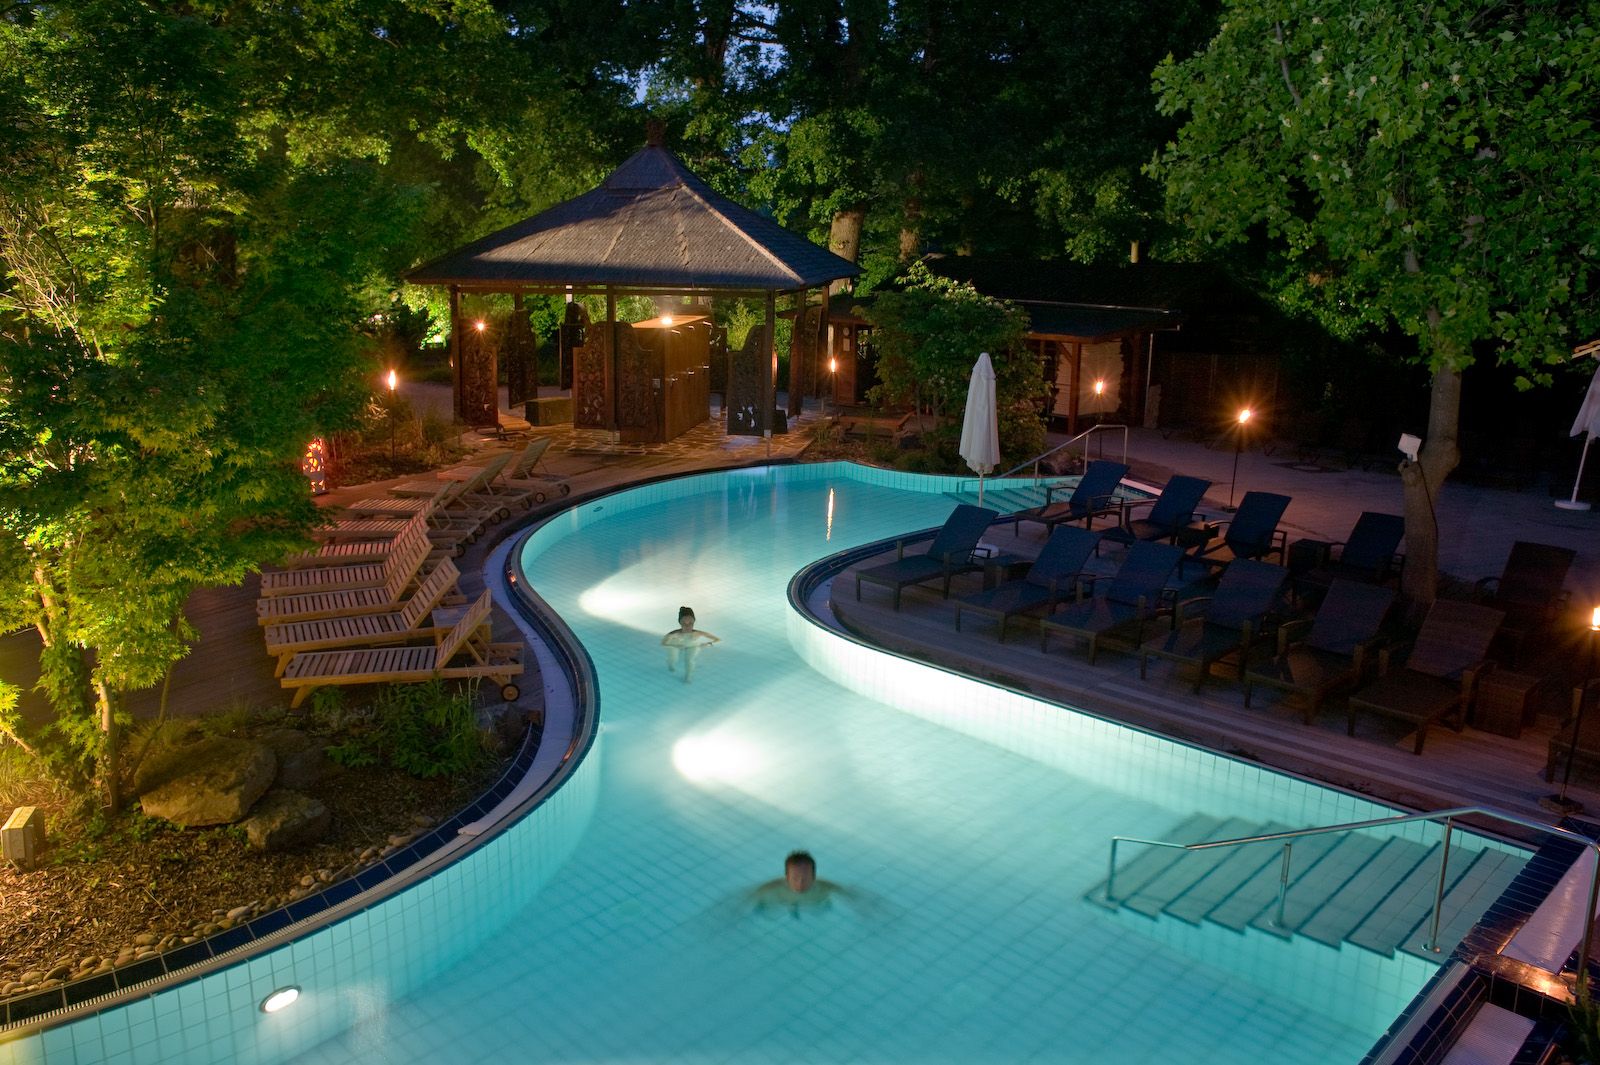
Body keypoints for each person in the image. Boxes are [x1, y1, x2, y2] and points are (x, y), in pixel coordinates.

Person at [662, 606, 719, 682]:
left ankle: (688, 676)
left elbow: (717, 639)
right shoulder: (674, 634)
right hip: (675, 644)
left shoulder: (697, 633)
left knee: (689, 660)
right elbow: (663, 643)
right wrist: (675, 645)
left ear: (694, 622)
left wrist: (707, 644)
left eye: (690, 623)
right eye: (684, 623)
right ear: (680, 623)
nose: (687, 626)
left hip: (692, 645)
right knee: (673, 657)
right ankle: (671, 664)